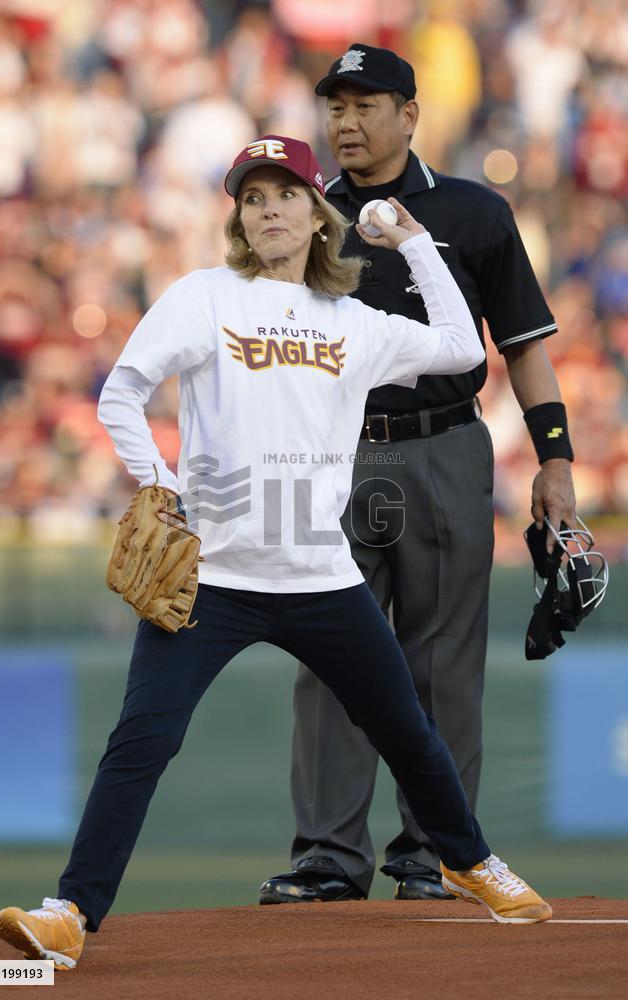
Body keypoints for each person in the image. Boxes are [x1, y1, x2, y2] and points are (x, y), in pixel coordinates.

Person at [0, 134, 552, 972]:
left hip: (320, 576)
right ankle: (70, 910)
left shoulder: (352, 321)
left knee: (406, 729)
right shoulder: (204, 297)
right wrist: (160, 484)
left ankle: (467, 859)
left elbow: (463, 350)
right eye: (253, 198)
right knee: (143, 738)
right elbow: (122, 392)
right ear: (239, 219)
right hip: (213, 576)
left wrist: (413, 245)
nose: (269, 210)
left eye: (286, 194)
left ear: (318, 214)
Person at [259, 44, 577, 907]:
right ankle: (328, 858)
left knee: (443, 656)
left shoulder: (471, 210)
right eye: (336, 106)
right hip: (329, 449)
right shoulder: (298, 214)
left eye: (366, 104)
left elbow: (524, 349)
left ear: (410, 114)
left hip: (444, 442)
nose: (346, 121)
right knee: (328, 652)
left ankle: (435, 853)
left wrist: (555, 461)